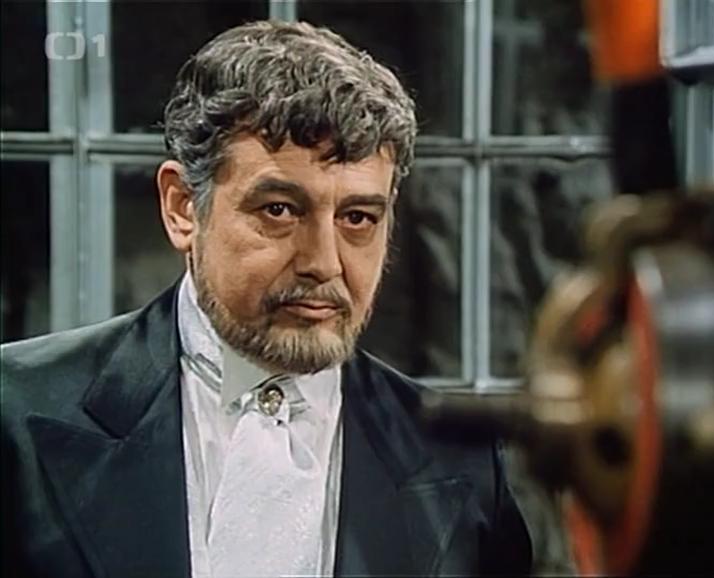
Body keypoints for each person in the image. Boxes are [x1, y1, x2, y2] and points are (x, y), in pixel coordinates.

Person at [1, 20, 532, 577]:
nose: (323, 262)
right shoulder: (15, 413)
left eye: (357, 218)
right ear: (182, 207)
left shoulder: (464, 462)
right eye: (279, 210)